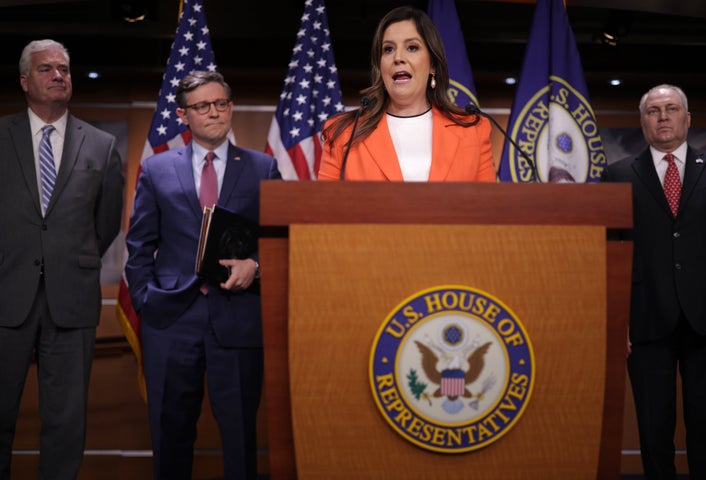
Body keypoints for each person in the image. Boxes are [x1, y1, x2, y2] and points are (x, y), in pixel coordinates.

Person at [124, 70, 281, 480]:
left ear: (230, 107)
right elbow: (139, 244)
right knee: (171, 434)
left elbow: (281, 238)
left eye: (221, 104)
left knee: (241, 437)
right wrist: (146, 300)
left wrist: (256, 266)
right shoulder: (157, 170)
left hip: (239, 318)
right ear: (183, 114)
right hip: (172, 321)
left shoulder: (263, 167)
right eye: (202, 106)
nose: (214, 112)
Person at [0, 39, 124, 479]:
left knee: (65, 422)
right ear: (24, 81)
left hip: (71, 300)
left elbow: (105, 223)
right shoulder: (1, 136)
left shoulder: (103, 145)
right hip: (5, 297)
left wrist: (68, 257)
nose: (58, 76)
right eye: (46, 69)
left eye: (64, 69)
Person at [602, 84, 706, 478]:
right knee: (654, 430)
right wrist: (618, 320)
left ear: (688, 118)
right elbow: (609, 252)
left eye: (672, 109)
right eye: (654, 111)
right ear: (643, 121)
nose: (664, 117)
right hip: (646, 322)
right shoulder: (617, 174)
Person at [318, 6, 496, 182]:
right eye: (388, 49)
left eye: (412, 47)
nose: (398, 58)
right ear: (380, 66)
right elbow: (324, 208)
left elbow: (488, 207)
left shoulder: (473, 131)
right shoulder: (343, 133)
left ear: (432, 65)